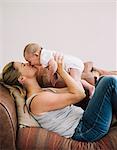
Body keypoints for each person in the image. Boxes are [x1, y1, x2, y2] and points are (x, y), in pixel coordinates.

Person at [1, 57, 117, 142]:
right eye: (23, 65)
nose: (27, 63)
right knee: (109, 82)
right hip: (86, 130)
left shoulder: (43, 92)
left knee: (102, 80)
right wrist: (61, 70)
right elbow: (80, 94)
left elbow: (76, 88)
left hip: (85, 120)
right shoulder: (37, 101)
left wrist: (62, 67)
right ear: (22, 78)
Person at [23, 43, 95, 97]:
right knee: (75, 80)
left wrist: (51, 76)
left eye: (29, 61)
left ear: (36, 55)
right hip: (73, 64)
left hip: (73, 65)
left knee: (75, 83)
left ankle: (83, 93)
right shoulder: (44, 54)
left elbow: (53, 65)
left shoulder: (43, 57)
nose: (30, 64)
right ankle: (90, 87)